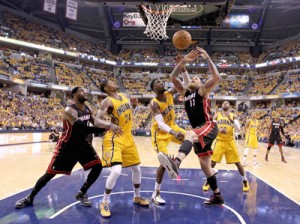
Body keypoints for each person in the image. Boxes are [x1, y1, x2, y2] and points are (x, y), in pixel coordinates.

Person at [15, 87, 122, 209]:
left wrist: (109, 124)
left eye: (85, 90)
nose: (85, 92)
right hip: (68, 146)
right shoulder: (69, 110)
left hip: (83, 145)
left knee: (97, 166)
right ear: (74, 95)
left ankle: (82, 193)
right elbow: (82, 129)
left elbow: (96, 122)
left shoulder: (87, 108)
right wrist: (106, 127)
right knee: (50, 174)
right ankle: (30, 197)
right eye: (82, 91)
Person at [158, 47, 224, 206]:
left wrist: (207, 57)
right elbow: (173, 77)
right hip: (200, 130)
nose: (193, 79)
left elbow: (217, 77)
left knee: (189, 134)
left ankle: (177, 162)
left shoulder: (202, 91)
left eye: (196, 78)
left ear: (201, 84)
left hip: (208, 125)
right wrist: (183, 62)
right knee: (205, 166)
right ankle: (217, 195)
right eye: (192, 78)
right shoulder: (185, 93)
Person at [97, 79, 149, 218]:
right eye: (111, 82)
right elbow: (97, 120)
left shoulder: (123, 95)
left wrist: (134, 106)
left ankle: (136, 196)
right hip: (114, 137)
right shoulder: (106, 101)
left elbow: (128, 115)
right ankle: (104, 201)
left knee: (137, 168)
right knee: (116, 170)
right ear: (106, 88)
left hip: (128, 137)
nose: (115, 82)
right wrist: (110, 125)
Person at [149, 78, 185, 205]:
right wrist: (174, 133)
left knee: (191, 138)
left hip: (172, 126)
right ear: (154, 89)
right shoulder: (154, 103)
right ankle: (156, 193)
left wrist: (181, 66)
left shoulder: (169, 93)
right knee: (163, 164)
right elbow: (160, 123)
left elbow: (180, 84)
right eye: (158, 82)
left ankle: (176, 162)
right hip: (160, 134)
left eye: (161, 81)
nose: (161, 82)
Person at [202, 101, 249, 192]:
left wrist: (230, 119)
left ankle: (245, 180)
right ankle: (208, 180)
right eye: (223, 103)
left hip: (230, 141)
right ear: (221, 106)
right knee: (212, 163)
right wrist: (219, 129)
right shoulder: (217, 115)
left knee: (238, 163)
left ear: (230, 106)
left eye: (227, 103)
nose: (225, 104)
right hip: (219, 141)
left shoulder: (233, 115)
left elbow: (238, 129)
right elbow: (212, 126)